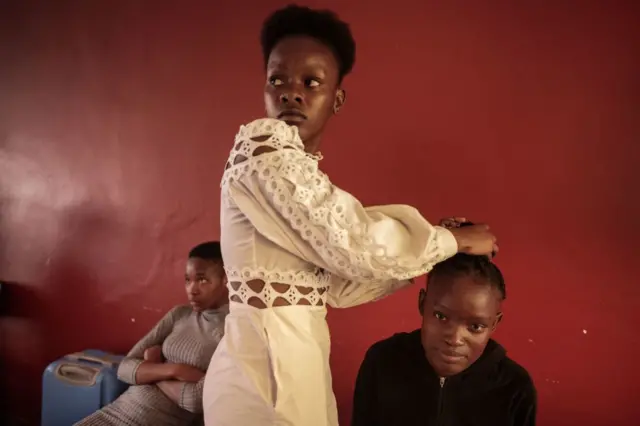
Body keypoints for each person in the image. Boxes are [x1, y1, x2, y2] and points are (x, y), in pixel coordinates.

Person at [203, 5, 498, 426]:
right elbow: (352, 242)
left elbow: (339, 284)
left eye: (311, 82)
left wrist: (434, 245)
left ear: (336, 99)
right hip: (263, 375)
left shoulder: (299, 180)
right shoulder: (262, 146)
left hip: (293, 365)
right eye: (277, 80)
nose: (291, 92)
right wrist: (451, 241)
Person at [351, 248, 536, 426]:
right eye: (441, 316)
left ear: (494, 324)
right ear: (422, 304)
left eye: (476, 327)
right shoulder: (383, 361)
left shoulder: (514, 387)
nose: (455, 339)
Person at [76, 241, 229, 426]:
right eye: (187, 280)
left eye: (202, 279)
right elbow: (124, 368)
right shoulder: (179, 314)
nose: (192, 289)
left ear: (226, 279)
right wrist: (175, 370)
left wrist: (150, 369)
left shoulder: (231, 331)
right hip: (115, 411)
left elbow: (196, 400)